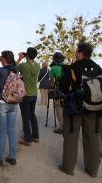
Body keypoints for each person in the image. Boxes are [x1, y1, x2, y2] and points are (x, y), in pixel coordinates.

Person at [59, 43, 101, 178]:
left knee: (71, 137)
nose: (76, 53)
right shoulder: (98, 68)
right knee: (93, 138)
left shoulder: (74, 67)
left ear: (80, 52)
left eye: (77, 51)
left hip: (74, 109)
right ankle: (93, 170)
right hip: (95, 108)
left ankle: (68, 167)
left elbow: (64, 87)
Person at [16, 47, 41, 146]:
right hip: (34, 94)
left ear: (27, 55)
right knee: (32, 115)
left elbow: (12, 69)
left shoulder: (23, 65)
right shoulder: (38, 66)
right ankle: (36, 136)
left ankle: (27, 139)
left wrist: (19, 58)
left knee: (25, 117)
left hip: (25, 95)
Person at [49, 52, 68, 134]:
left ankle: (62, 127)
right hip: (67, 91)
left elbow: (52, 83)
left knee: (59, 108)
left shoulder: (53, 69)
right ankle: (68, 125)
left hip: (58, 91)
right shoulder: (67, 67)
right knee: (66, 108)